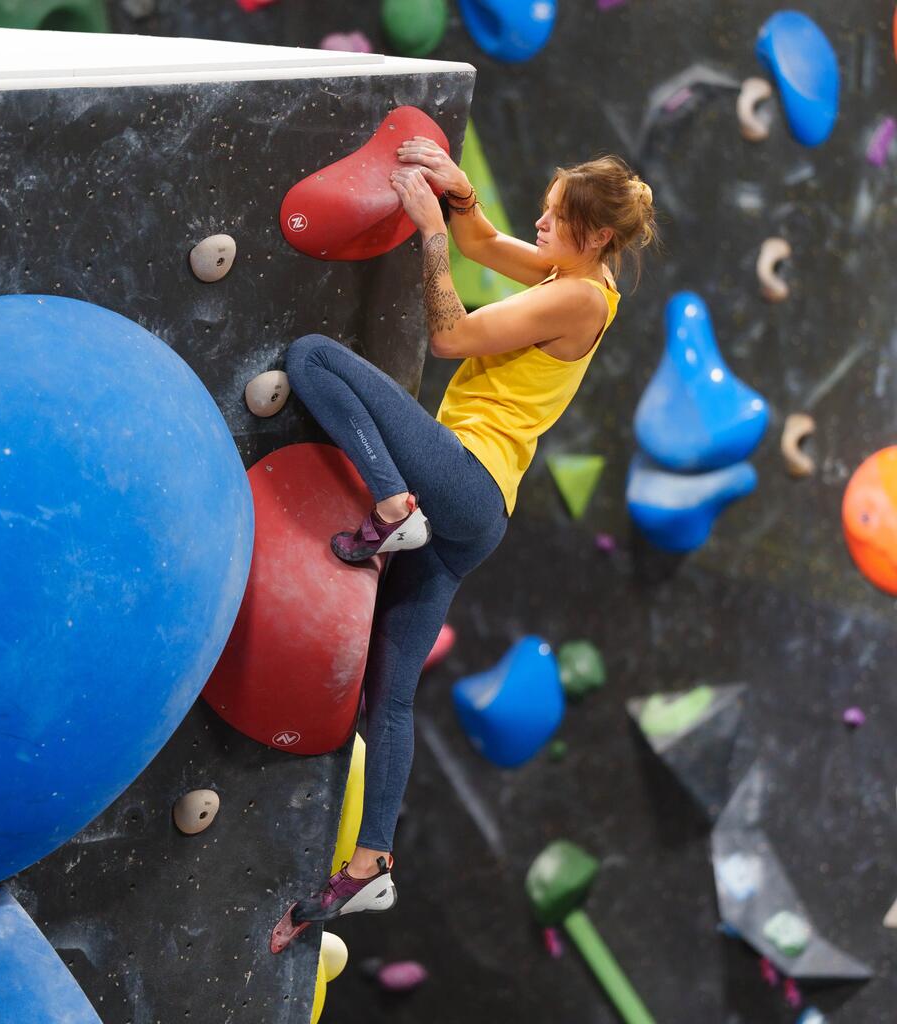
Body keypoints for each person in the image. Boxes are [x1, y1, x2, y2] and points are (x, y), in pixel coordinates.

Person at [280, 142, 657, 929]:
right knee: (388, 698)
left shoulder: (578, 298)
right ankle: (372, 861)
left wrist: (429, 232)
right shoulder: (584, 281)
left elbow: (449, 335)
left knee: (313, 358)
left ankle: (392, 511)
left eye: (557, 215)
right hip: (475, 518)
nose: (542, 218)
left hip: (465, 482)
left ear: (593, 236)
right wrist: (460, 196)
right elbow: (490, 245)